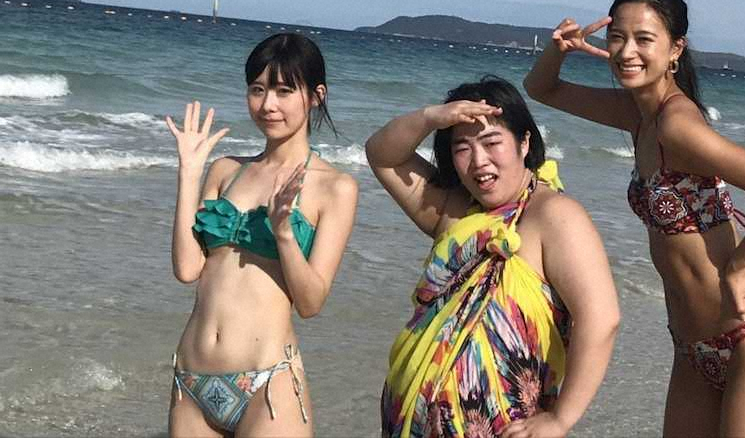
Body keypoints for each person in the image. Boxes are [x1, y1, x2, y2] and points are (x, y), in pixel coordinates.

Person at [524, 0, 745, 438]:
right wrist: (560, 50)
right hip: (691, 350)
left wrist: (739, 266)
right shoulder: (639, 116)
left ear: (676, 49)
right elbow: (541, 89)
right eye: (617, 38)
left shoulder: (676, 125)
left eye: (644, 39)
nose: (626, 52)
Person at [366, 76, 620, 438]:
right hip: (408, 423)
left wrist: (561, 419)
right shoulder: (453, 211)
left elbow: (601, 319)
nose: (478, 161)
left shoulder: (554, 215)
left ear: (524, 142)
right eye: (462, 148)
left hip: (505, 426)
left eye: (491, 142)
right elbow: (383, 154)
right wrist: (431, 118)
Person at [166, 33, 357, 437]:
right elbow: (187, 269)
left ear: (316, 95)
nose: (268, 104)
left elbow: (311, 302)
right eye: (257, 90)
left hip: (268, 384)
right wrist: (189, 173)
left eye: (284, 91)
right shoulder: (225, 170)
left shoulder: (335, 187)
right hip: (191, 380)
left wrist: (284, 232)